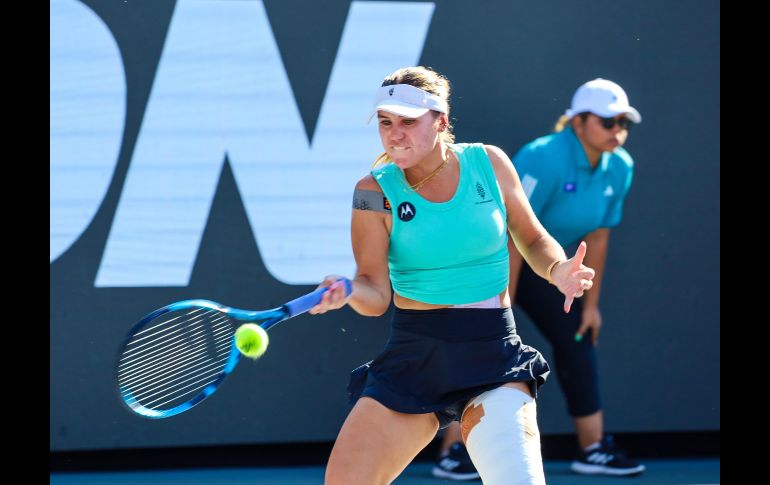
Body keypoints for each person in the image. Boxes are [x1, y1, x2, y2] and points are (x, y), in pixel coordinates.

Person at [309, 66, 595, 485]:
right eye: (386, 123)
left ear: (440, 121)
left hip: (492, 355)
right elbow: (375, 293)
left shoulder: (490, 163)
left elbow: (532, 238)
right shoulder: (372, 193)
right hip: (414, 358)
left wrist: (558, 268)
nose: (394, 135)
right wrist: (350, 289)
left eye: (408, 122)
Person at [433, 78, 646, 479]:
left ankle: (593, 448)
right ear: (578, 122)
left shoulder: (621, 166)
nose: (617, 130)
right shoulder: (543, 158)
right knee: (483, 344)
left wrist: (591, 306)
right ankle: (454, 450)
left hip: (548, 266)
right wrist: (501, 304)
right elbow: (510, 233)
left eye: (623, 123)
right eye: (608, 122)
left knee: (578, 337)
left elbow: (598, 236)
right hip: (488, 258)